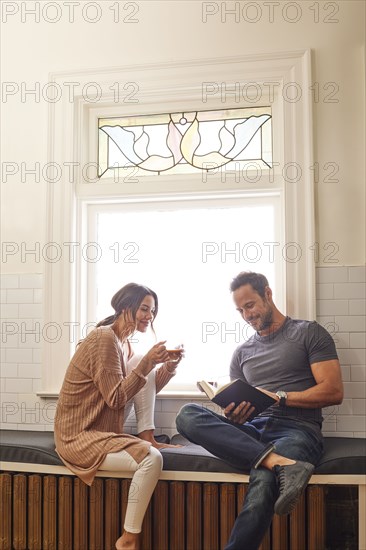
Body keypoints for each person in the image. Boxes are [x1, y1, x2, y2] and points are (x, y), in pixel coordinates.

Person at [176, 271, 343, 550]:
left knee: (264, 480)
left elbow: (334, 391)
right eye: (240, 310)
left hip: (297, 429)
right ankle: (281, 463)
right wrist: (235, 415)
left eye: (250, 305)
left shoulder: (308, 332)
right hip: (253, 430)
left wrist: (279, 397)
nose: (246, 315)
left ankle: (272, 464)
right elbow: (241, 406)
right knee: (187, 415)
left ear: (268, 293)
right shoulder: (242, 353)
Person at [54, 283, 183, 550]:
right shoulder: (104, 338)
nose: (149, 316)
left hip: (103, 432)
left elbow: (144, 386)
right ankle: (128, 539)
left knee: (143, 366)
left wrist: (168, 367)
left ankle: (148, 435)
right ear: (126, 308)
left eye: (153, 311)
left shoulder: (125, 346)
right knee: (151, 459)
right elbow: (115, 398)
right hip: (80, 435)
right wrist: (147, 362)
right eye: (144, 309)